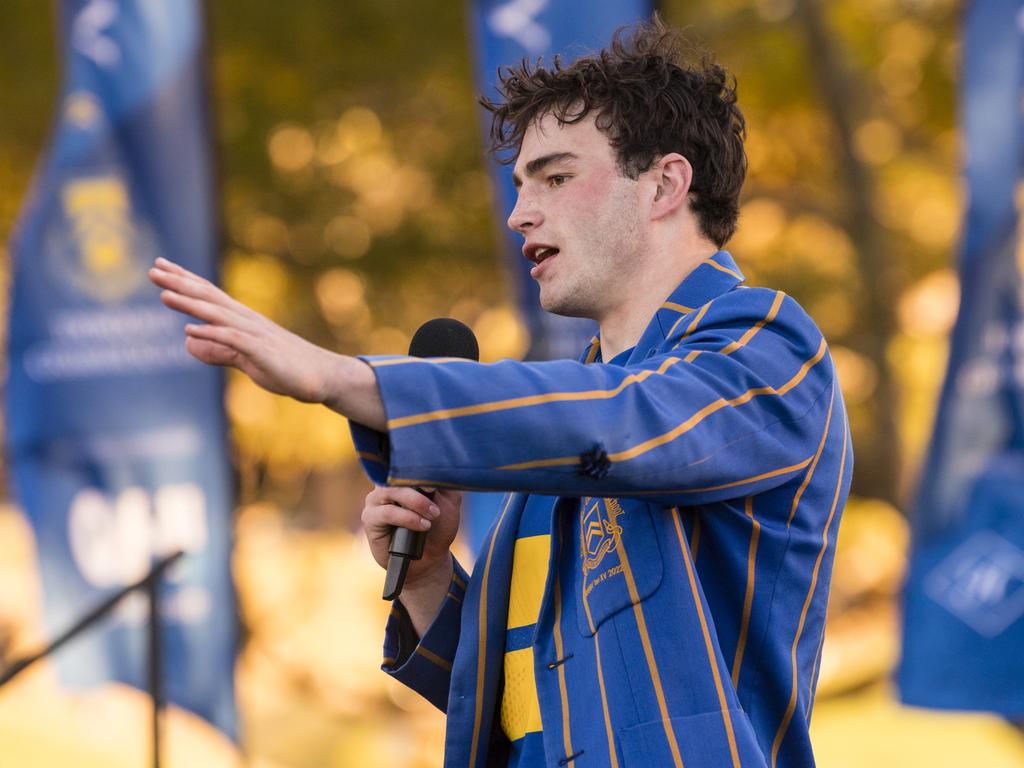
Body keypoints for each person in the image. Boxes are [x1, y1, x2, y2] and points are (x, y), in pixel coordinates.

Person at [150, 18, 851, 768]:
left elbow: (633, 421)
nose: (520, 213)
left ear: (665, 185)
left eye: (554, 177)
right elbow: (527, 714)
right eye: (520, 186)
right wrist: (426, 581)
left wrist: (341, 377)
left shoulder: (768, 344)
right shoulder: (563, 434)